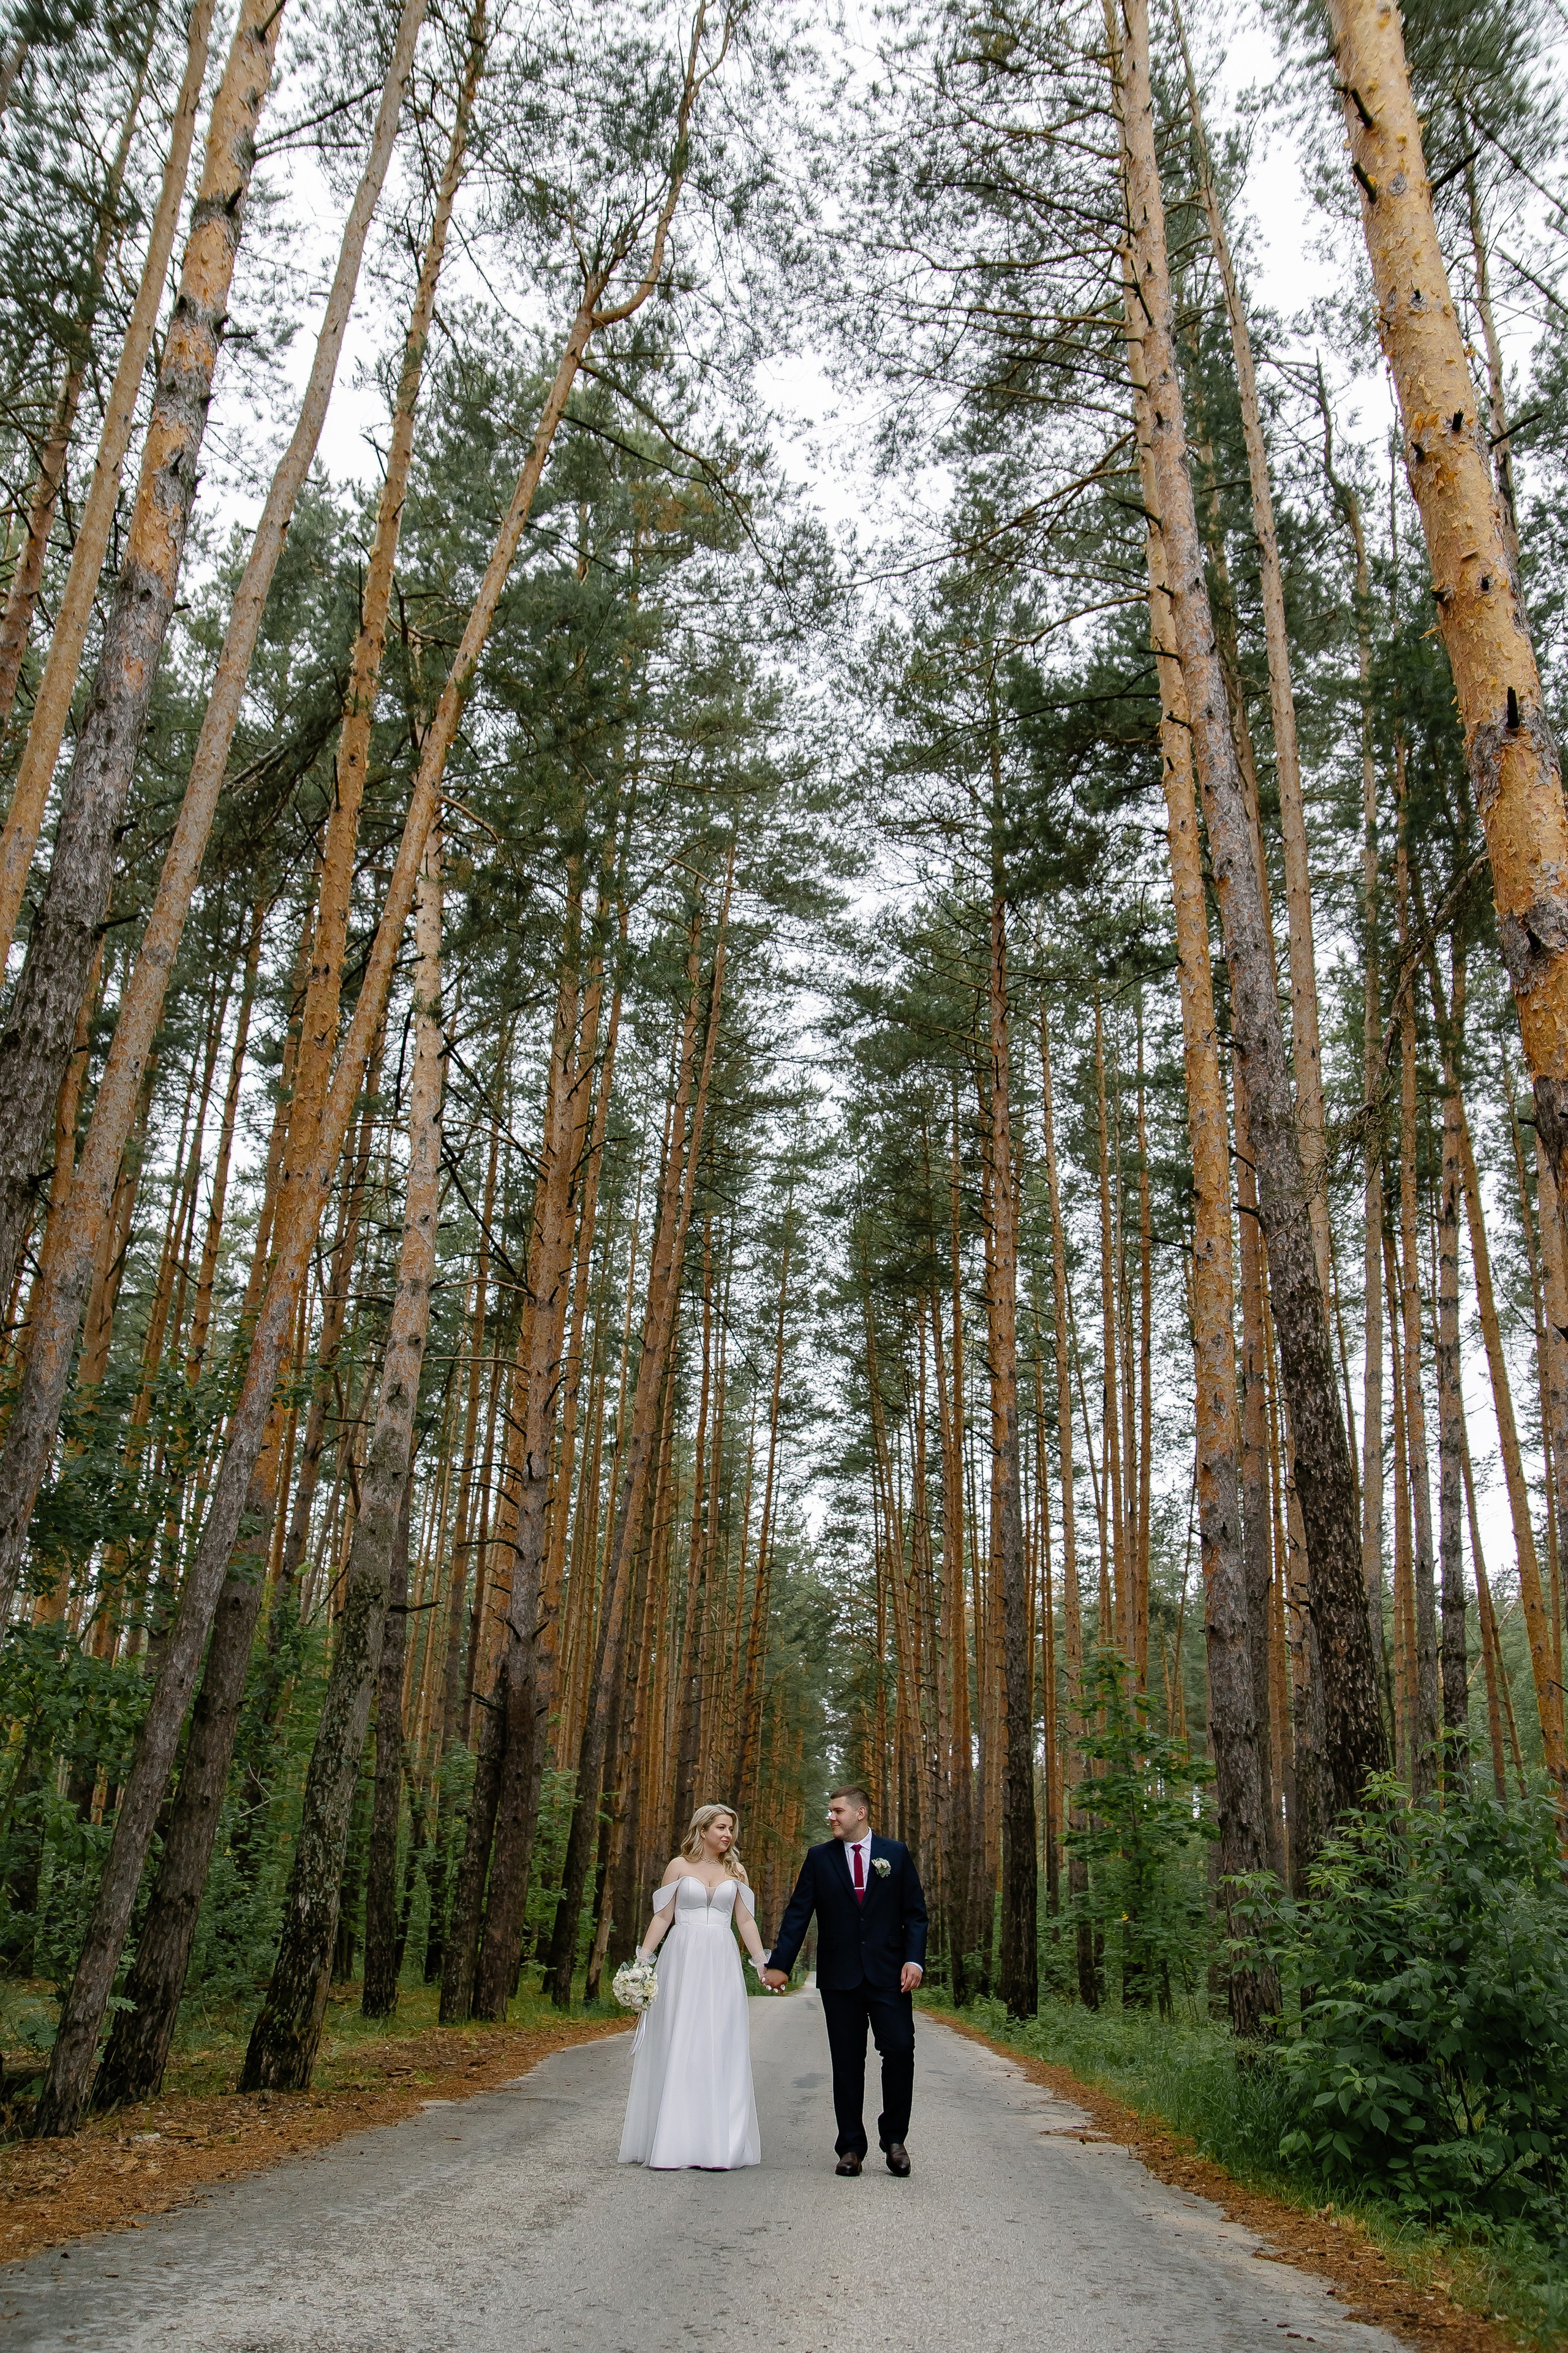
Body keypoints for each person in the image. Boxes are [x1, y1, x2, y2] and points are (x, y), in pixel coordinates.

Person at [762, 1785, 928, 2177]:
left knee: (901, 2050)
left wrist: (914, 1961)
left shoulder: (896, 1855)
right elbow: (798, 1913)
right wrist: (780, 1963)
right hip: (840, 1978)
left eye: (837, 1811)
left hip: (890, 1975)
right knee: (847, 2061)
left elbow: (916, 1915)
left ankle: (895, 2139)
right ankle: (851, 2146)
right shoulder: (819, 1859)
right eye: (830, 1811)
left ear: (861, 1813)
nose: (831, 1817)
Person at [618, 1802, 776, 2170]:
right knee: (682, 2038)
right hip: (682, 1958)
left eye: (731, 1829)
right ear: (702, 1830)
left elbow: (746, 1923)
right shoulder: (678, 1866)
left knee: (719, 2039)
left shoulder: (736, 1871)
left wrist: (761, 1965)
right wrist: (642, 1962)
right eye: (721, 1827)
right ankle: (674, 2140)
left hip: (721, 1959)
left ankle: (719, 2142)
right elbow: (663, 1916)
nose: (728, 1835)